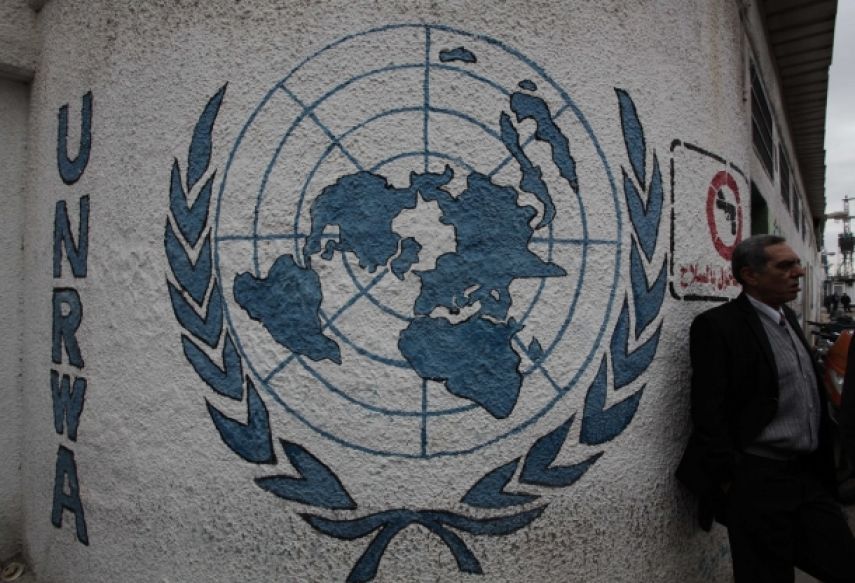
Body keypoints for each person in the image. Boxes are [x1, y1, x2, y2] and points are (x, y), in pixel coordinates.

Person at [676, 234, 855, 582]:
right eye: (784, 266)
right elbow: (708, 410)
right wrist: (732, 482)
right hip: (757, 481)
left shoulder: (787, 318)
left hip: (807, 477)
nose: (798, 272)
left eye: (797, 264)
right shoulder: (719, 326)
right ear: (750, 275)